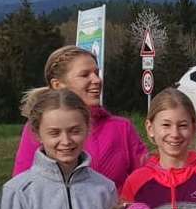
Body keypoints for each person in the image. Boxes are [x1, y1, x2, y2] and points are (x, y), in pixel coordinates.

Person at [12, 46, 147, 187]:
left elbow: (146, 181)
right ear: (58, 85)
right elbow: (23, 187)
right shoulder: (40, 127)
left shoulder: (122, 128)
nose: (97, 80)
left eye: (96, 73)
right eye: (85, 75)